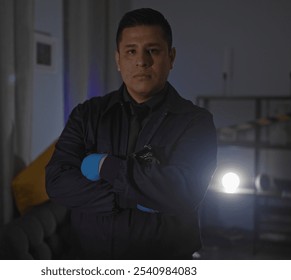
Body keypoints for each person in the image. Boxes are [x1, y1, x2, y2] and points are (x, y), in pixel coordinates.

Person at [45, 8, 217, 259]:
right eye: (131, 51)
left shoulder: (196, 122)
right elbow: (57, 182)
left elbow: (185, 191)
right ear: (118, 59)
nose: (141, 61)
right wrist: (132, 198)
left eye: (153, 51)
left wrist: (106, 166)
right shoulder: (87, 114)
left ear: (171, 57)